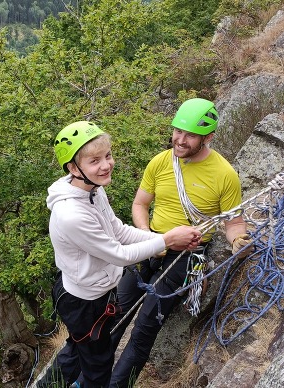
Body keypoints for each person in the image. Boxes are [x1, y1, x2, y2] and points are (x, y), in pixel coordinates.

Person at [37, 121, 201, 388]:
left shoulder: (92, 191)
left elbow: (119, 231)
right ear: (73, 168)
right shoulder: (71, 214)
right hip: (85, 302)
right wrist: (167, 239)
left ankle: (49, 385)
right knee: (99, 368)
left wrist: (168, 243)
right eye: (94, 161)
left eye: (108, 156)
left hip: (92, 293)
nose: (106, 165)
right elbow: (119, 254)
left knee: (81, 350)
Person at [108, 98, 254, 387]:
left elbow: (233, 223)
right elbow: (140, 204)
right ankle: (89, 377)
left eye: (189, 135)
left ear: (208, 137)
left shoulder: (225, 175)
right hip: (152, 243)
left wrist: (239, 240)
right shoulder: (161, 162)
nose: (180, 140)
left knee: (143, 329)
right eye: (177, 131)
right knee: (114, 316)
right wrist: (148, 235)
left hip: (185, 256)